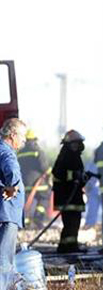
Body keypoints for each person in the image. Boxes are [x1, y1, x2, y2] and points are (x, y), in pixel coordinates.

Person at [0, 118, 27, 288]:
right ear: (13, 135)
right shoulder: (7, 152)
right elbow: (12, 170)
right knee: (4, 260)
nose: (24, 141)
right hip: (7, 213)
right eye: (22, 137)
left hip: (3, 213)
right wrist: (14, 186)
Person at [52, 130, 88, 253]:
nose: (76, 146)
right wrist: (74, 175)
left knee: (74, 223)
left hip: (74, 195)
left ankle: (67, 246)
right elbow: (58, 173)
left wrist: (83, 177)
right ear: (68, 144)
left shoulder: (76, 156)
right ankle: (69, 247)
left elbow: (78, 178)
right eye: (73, 143)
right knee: (70, 223)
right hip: (67, 196)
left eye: (77, 143)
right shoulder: (65, 156)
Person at [17, 129, 50, 228]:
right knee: (44, 197)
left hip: (25, 183)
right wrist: (49, 174)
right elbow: (44, 167)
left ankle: (25, 223)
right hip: (39, 183)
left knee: (26, 203)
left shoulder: (19, 152)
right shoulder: (37, 151)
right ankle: (38, 218)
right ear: (34, 139)